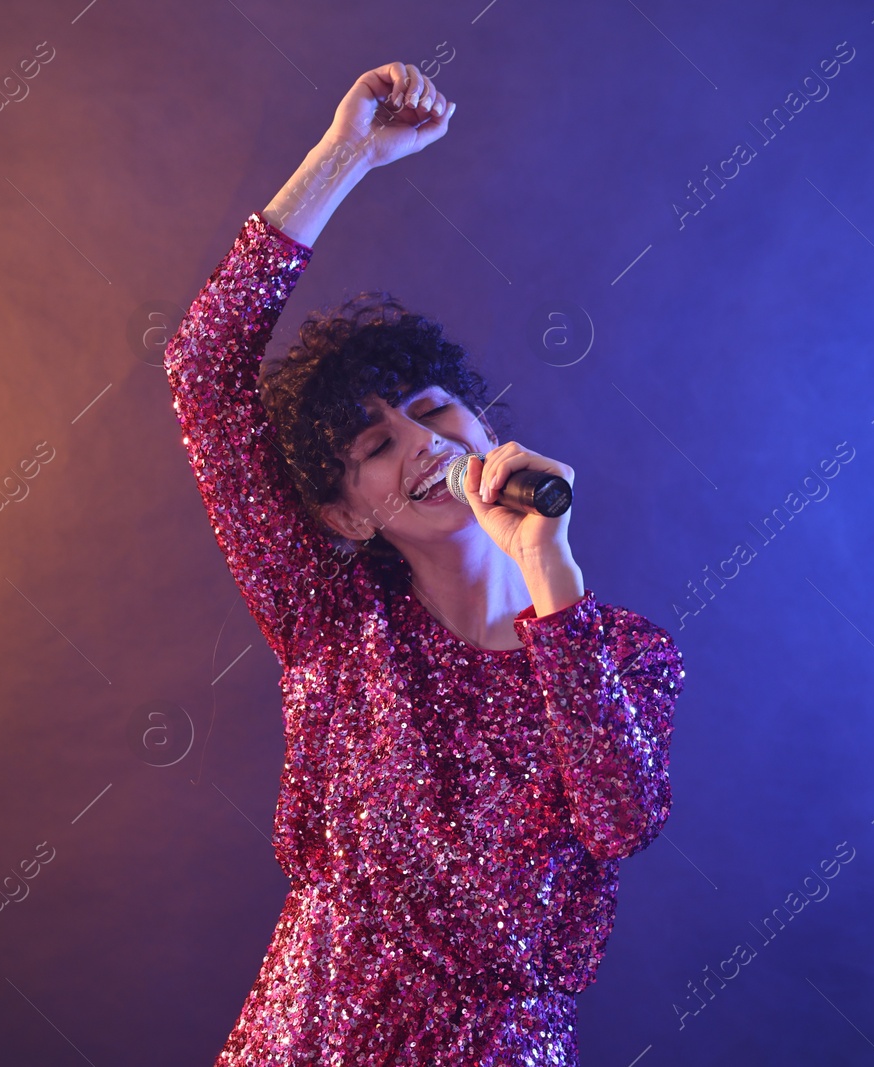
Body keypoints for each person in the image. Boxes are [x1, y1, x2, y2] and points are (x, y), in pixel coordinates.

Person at [164, 60, 685, 1066]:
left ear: (484, 421)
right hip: (314, 1032)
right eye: (371, 447)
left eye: (432, 407)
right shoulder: (333, 624)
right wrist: (344, 155)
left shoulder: (622, 650)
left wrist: (547, 567)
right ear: (346, 514)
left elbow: (621, 817)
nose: (420, 444)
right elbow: (201, 373)